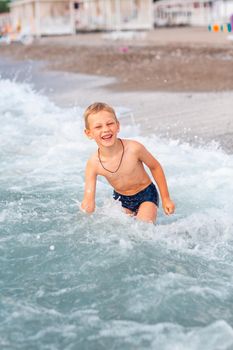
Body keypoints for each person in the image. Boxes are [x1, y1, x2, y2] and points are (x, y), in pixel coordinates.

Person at [81, 102, 175, 223]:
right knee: (120, 230)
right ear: (89, 133)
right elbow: (88, 200)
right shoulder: (93, 164)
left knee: (143, 227)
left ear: (118, 126)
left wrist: (166, 198)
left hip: (146, 194)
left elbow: (155, 167)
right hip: (121, 199)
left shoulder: (134, 148)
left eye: (110, 124)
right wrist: (85, 215)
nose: (106, 129)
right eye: (98, 127)